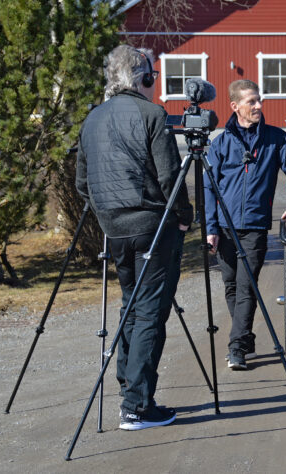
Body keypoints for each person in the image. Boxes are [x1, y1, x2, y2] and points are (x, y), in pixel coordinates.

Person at [76, 45, 193, 430]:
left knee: (131, 305)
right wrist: (185, 217)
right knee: (149, 313)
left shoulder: (91, 119)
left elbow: (81, 183)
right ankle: (137, 405)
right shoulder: (152, 113)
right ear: (142, 77)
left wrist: (107, 211)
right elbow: (169, 176)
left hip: (114, 229)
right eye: (152, 76)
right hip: (150, 227)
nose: (153, 83)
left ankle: (130, 385)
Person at [204, 79, 286, 370]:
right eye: (251, 102)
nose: (259, 106)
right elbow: (208, 188)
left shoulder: (276, 139)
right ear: (235, 106)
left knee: (246, 285)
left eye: (259, 100)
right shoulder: (220, 143)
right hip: (225, 228)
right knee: (231, 287)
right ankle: (245, 336)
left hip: (255, 227)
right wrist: (211, 229)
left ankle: (236, 347)